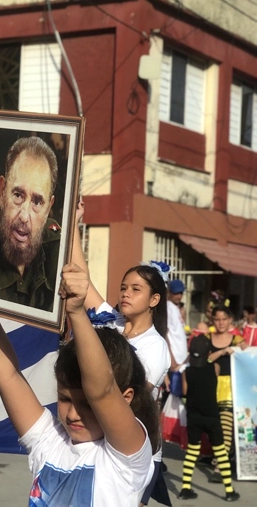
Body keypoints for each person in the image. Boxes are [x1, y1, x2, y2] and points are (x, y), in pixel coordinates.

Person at [0, 249, 157, 505]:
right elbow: (8, 376)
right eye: (65, 399)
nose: (73, 414)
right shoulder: (49, 441)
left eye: (87, 404)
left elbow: (102, 390)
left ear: (126, 398)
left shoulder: (127, 457)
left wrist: (76, 313)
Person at [68, 203, 170, 506]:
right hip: (100, 438)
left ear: (154, 299)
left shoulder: (156, 347)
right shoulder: (111, 322)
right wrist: (74, 222)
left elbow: (129, 398)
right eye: (124, 287)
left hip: (134, 450)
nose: (125, 293)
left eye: (136, 289)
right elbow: (82, 281)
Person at [0, 136, 62, 311]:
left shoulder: (59, 248)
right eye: (18, 195)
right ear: (2, 192)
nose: (24, 216)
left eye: (37, 202)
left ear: (48, 209)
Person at [178, 335, 240, 501]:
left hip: (193, 417)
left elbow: (184, 392)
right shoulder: (215, 368)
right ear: (208, 353)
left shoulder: (186, 372)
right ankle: (229, 491)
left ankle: (185, 489)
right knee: (220, 452)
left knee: (192, 452)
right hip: (212, 416)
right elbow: (212, 362)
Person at [208, 305, 243, 477]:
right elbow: (204, 358)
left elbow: (248, 356)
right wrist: (222, 351)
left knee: (226, 426)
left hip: (229, 387)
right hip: (209, 387)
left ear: (230, 320)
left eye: (224, 319)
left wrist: (239, 349)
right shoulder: (206, 338)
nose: (221, 323)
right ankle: (219, 457)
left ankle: (221, 464)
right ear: (213, 320)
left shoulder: (237, 340)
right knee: (215, 427)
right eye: (217, 319)